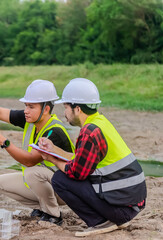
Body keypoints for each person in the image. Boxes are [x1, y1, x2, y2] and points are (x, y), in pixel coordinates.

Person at [38, 78, 147, 237]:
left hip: (123, 210)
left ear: (77, 109)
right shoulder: (99, 122)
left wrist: (52, 159)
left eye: (66, 106)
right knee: (72, 175)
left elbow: (76, 172)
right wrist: (54, 149)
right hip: (132, 204)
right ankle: (110, 217)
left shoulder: (89, 131)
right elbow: (80, 159)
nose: (64, 112)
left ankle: (100, 222)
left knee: (60, 179)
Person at [0, 80, 74, 225]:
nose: (26, 110)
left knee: (31, 172)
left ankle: (53, 214)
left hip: (67, 189)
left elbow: (29, 161)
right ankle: (42, 207)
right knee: (0, 183)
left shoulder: (54, 131)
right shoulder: (30, 119)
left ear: (46, 109)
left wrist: (4, 142)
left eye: (31, 106)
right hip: (48, 183)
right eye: (26, 105)